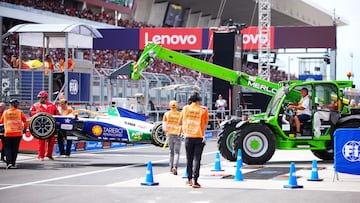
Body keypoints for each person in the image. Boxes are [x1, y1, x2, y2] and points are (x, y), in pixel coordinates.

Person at [179, 92, 209, 188]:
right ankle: (196, 181)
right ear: (199, 100)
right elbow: (205, 123)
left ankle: (189, 179)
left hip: (188, 136)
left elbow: (180, 122)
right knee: (197, 159)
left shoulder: (185, 108)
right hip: (199, 136)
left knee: (189, 159)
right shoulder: (203, 110)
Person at [30, 90, 59, 161]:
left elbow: (57, 114)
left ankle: (49, 155)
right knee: (41, 142)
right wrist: (35, 112)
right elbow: (30, 113)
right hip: (41, 127)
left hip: (52, 126)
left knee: (51, 141)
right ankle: (41, 156)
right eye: (40, 97)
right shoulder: (35, 105)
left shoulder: (52, 105)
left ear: (46, 98)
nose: (41, 99)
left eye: (42, 97)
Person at [0, 99, 28, 169]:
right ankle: (13, 163)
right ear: (17, 105)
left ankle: (8, 163)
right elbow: (25, 121)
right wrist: (24, 128)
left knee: (8, 149)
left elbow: (1, 121)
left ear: (10, 105)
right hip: (17, 133)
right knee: (15, 149)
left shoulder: (5, 112)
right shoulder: (20, 112)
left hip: (8, 133)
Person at [162, 100, 182, 175]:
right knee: (177, 153)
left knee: (171, 152)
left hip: (170, 134)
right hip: (177, 134)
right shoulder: (180, 114)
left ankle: (170, 168)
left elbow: (164, 126)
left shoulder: (166, 114)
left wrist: (166, 132)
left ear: (169, 106)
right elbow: (182, 124)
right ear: (177, 106)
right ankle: (175, 167)